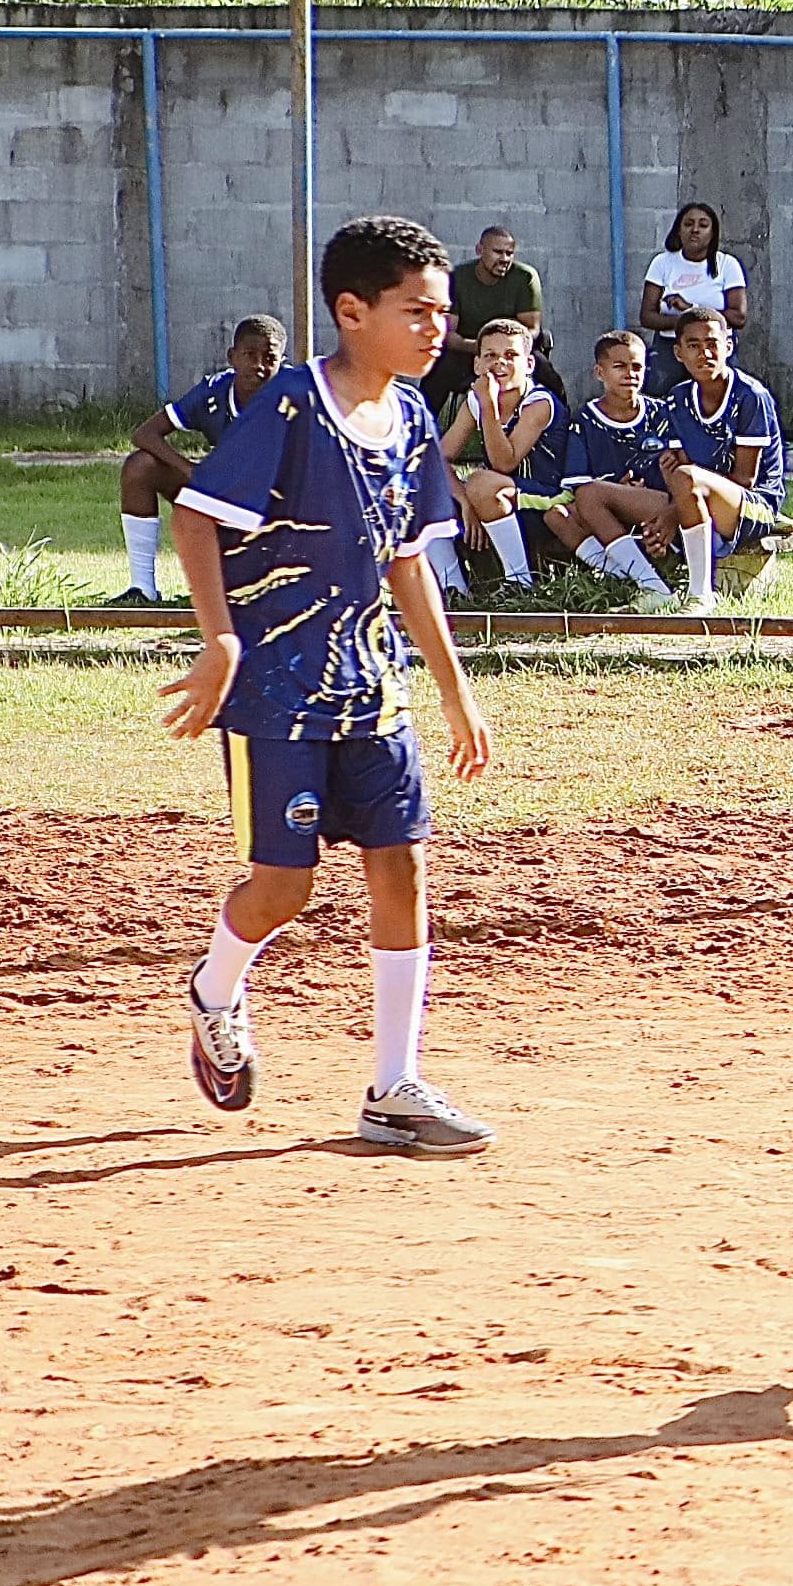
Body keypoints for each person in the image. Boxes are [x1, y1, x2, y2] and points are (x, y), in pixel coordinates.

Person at [155, 215, 498, 1155]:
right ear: (352, 312)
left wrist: (455, 689)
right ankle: (215, 988)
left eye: (444, 312)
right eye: (417, 311)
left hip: (372, 685)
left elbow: (407, 562)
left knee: (404, 864)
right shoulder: (296, 405)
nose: (438, 329)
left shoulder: (418, 417)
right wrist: (220, 641)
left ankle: (395, 1086)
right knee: (283, 891)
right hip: (277, 693)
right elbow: (194, 516)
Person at [119, 314, 284, 600]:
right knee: (140, 466)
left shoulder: (293, 397)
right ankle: (142, 588)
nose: (258, 366)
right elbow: (145, 434)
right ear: (232, 357)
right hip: (222, 497)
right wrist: (192, 472)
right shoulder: (213, 392)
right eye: (249, 355)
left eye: (269, 358)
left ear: (282, 362)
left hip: (276, 505)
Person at [647, 308, 792, 612]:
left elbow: (745, 479)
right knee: (597, 494)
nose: (705, 353)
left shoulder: (750, 396)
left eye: (712, 343)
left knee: (685, 479)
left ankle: (701, 593)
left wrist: (676, 507)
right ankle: (649, 585)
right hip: (698, 494)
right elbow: (681, 467)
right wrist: (677, 501)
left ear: (729, 345)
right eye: (694, 345)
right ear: (678, 353)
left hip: (752, 504)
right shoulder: (677, 398)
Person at [547, 331, 680, 596]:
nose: (630, 374)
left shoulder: (663, 413)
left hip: (660, 505)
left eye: (637, 367)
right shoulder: (585, 419)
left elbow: (683, 468)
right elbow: (578, 482)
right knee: (557, 515)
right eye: (619, 366)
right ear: (600, 372)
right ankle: (623, 577)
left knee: (591, 496)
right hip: (605, 509)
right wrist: (616, 489)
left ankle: (653, 585)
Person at [436, 318, 559, 591]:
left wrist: (489, 404)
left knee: (481, 482)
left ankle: (520, 583)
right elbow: (438, 459)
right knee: (421, 487)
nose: (499, 363)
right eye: (490, 355)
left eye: (511, 355)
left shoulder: (539, 403)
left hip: (547, 498)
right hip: (497, 499)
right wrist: (464, 502)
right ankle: (454, 588)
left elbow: (505, 463)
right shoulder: (476, 401)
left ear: (529, 365)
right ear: (477, 364)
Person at [425, 224, 549, 420]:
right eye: (498, 252)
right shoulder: (458, 278)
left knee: (547, 374)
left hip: (512, 352)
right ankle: (419, 434)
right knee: (437, 375)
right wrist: (482, 349)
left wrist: (507, 348)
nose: (504, 259)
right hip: (468, 352)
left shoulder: (525, 277)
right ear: (480, 250)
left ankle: (564, 432)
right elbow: (448, 334)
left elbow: (532, 329)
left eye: (509, 253)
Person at [637, 201, 749, 375]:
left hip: (715, 350)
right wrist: (686, 323)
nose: (695, 230)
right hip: (670, 350)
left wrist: (691, 310)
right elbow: (647, 317)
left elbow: (738, 317)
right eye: (688, 224)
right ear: (678, 230)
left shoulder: (727, 264)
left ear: (713, 233)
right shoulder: (662, 263)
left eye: (703, 225)